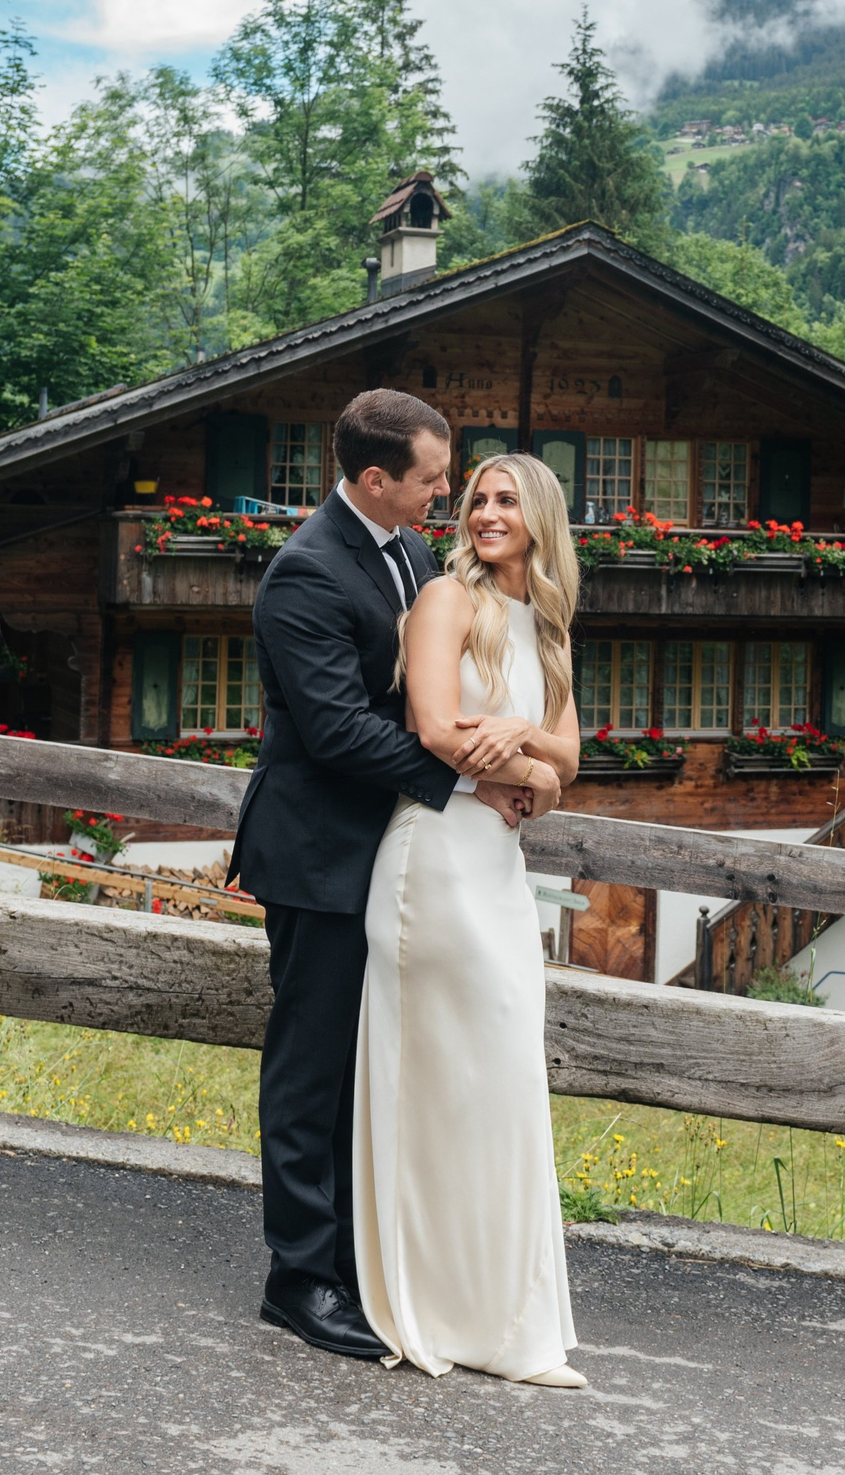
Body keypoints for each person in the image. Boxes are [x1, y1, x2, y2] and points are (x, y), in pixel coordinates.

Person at [235, 391, 534, 1362]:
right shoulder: (306, 571)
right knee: (312, 1067)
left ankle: (362, 1259)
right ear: (374, 478)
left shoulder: (409, 552)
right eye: (432, 479)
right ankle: (298, 1277)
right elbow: (336, 730)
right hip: (317, 849)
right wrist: (470, 779)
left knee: (373, 1063)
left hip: (394, 852)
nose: (447, 493)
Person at [353, 450, 586, 1387]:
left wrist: (525, 743)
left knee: (504, 1080)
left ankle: (506, 1319)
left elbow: (571, 753)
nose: (486, 513)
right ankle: (441, 1308)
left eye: (506, 500)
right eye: (478, 499)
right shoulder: (447, 600)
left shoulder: (550, 625)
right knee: (449, 1086)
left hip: (499, 868)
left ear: (540, 518)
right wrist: (535, 773)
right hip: (436, 861)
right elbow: (435, 730)